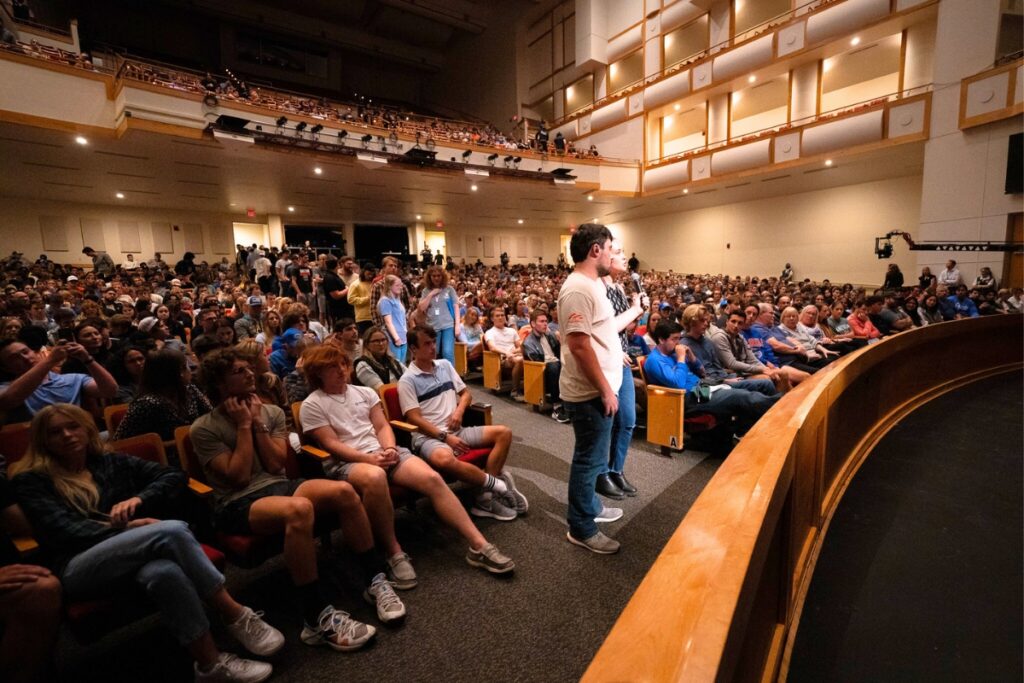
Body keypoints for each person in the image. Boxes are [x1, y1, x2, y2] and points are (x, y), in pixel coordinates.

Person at [12, 404, 281, 682]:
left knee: (164, 572)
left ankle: (210, 665)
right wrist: (130, 528)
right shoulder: (32, 480)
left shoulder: (107, 462)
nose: (67, 435)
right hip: (78, 566)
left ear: (87, 429)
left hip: (135, 552)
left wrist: (139, 500)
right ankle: (234, 612)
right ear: (43, 440)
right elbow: (65, 530)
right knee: (171, 532)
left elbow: (174, 476)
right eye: (56, 432)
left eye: (73, 426)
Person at [191, 349, 398, 644]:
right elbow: (237, 477)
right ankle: (315, 617)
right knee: (299, 509)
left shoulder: (272, 413)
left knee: (344, 491)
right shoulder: (203, 428)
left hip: (278, 485)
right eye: (239, 371)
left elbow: (276, 465)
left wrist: (258, 421)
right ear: (219, 383)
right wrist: (243, 425)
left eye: (249, 368)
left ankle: (374, 579)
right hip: (237, 502)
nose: (250, 373)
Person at [299, 344, 514, 580]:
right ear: (317, 373)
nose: (341, 370)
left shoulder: (365, 393)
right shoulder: (312, 404)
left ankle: (478, 544)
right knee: (375, 476)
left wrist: (389, 448)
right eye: (332, 367)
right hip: (348, 463)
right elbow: (331, 445)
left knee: (432, 478)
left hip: (384, 451)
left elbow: (382, 426)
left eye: (342, 364)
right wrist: (369, 459)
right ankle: (394, 551)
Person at [399, 327, 527, 521]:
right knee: (444, 459)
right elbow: (414, 418)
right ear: (413, 349)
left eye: (434, 342)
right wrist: (445, 437)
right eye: (427, 344)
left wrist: (459, 411)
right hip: (430, 438)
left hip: (457, 430)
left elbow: (466, 394)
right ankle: (495, 483)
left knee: (504, 433)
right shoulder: (407, 380)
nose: (433, 347)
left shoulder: (444, 366)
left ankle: (485, 498)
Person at [558, 223, 624, 555]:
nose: (613, 255)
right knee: (587, 459)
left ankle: (592, 508)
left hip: (599, 389)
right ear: (595, 250)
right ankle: (581, 527)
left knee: (596, 457)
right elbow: (580, 345)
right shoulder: (578, 289)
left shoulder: (592, 284)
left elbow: (599, 334)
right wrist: (606, 390)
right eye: (611, 248)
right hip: (589, 394)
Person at [644, 321, 777, 436]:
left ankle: (752, 427)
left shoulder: (673, 353)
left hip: (704, 385)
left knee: (764, 384)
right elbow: (678, 384)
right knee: (743, 396)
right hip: (691, 396)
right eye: (674, 339)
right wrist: (680, 359)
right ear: (661, 339)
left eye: (679, 338)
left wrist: (692, 358)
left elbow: (701, 372)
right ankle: (781, 410)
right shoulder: (655, 360)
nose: (678, 343)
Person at [597, 240, 645, 500]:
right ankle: (601, 472)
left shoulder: (618, 287)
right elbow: (603, 329)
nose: (625, 257)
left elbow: (623, 327)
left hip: (621, 359)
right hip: (608, 360)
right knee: (607, 420)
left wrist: (636, 309)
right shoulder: (598, 289)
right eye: (618, 253)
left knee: (628, 419)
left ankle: (616, 470)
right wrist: (618, 349)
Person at [0, 339, 117, 425]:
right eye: (14, 358)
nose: (25, 358)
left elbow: (110, 391)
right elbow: (7, 400)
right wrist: (49, 361)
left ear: (34, 352)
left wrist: (87, 359)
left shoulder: (73, 379)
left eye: (25, 352)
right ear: (6, 368)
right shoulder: (7, 388)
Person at [112, 349, 212, 445]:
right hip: (164, 458)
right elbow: (121, 442)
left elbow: (211, 415)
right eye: (186, 366)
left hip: (198, 446)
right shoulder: (146, 404)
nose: (190, 370)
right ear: (177, 372)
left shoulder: (189, 389)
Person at [521, 309, 569, 423]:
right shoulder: (528, 342)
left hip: (556, 364)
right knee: (554, 366)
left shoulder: (548, 335)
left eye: (546, 321)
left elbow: (560, 349)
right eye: (541, 321)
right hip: (542, 371)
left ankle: (570, 402)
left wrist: (556, 337)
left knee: (571, 363)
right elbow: (536, 363)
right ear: (533, 324)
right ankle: (556, 406)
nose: (545, 324)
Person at [416, 266, 460, 366]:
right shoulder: (425, 291)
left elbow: (456, 306)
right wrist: (431, 294)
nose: (436, 278)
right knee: (433, 353)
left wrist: (457, 325)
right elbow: (421, 308)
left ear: (442, 276)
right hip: (432, 326)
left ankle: (450, 378)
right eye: (434, 276)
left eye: (439, 276)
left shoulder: (449, 289)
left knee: (448, 352)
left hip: (448, 325)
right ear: (430, 277)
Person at [483, 306, 524, 400]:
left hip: (514, 355)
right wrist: (506, 353)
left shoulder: (512, 331)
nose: (501, 317)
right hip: (501, 359)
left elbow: (520, 347)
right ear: (492, 318)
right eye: (497, 316)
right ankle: (515, 391)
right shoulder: (489, 332)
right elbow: (492, 348)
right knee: (519, 360)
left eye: (502, 315)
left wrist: (512, 352)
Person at [353, 326, 407, 390]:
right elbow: (382, 391)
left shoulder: (393, 361)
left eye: (383, 340)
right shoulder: (362, 365)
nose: (381, 344)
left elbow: (410, 378)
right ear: (367, 345)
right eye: (376, 341)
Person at [378, 274, 408, 363]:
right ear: (390, 286)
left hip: (403, 336)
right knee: (396, 363)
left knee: (402, 364)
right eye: (397, 285)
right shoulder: (385, 301)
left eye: (401, 285)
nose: (401, 287)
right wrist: (396, 338)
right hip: (393, 338)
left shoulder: (398, 300)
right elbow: (388, 322)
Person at [348, 263, 375, 334]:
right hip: (362, 318)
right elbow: (351, 299)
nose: (370, 276)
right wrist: (367, 299)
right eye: (368, 274)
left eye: (372, 274)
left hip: (375, 316)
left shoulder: (374, 283)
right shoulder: (355, 284)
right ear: (363, 272)